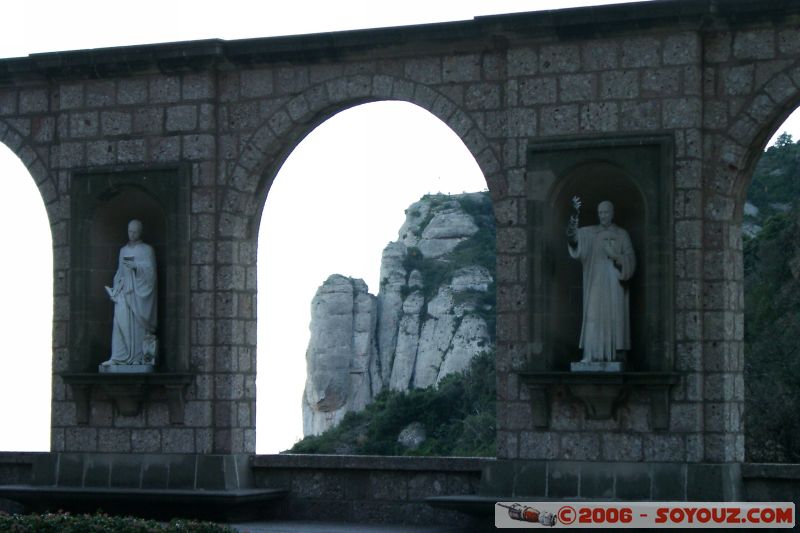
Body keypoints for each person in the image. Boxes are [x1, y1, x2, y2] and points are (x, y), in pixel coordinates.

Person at [567, 200, 635, 363]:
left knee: (614, 317)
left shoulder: (622, 234)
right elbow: (573, 238)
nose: (603, 216)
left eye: (606, 212)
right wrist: (574, 218)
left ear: (612, 213)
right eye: (600, 213)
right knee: (592, 315)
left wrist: (616, 256)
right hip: (595, 281)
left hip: (615, 283)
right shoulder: (590, 233)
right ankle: (590, 354)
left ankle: (614, 356)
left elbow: (631, 260)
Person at [100, 219, 157, 366]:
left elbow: (151, 274)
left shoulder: (147, 249)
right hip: (124, 292)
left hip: (138, 294)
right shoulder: (123, 250)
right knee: (119, 322)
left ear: (140, 232)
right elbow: (120, 272)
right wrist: (116, 288)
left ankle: (138, 358)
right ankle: (118, 357)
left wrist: (136, 266)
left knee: (138, 326)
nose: (131, 234)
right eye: (129, 231)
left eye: (134, 232)